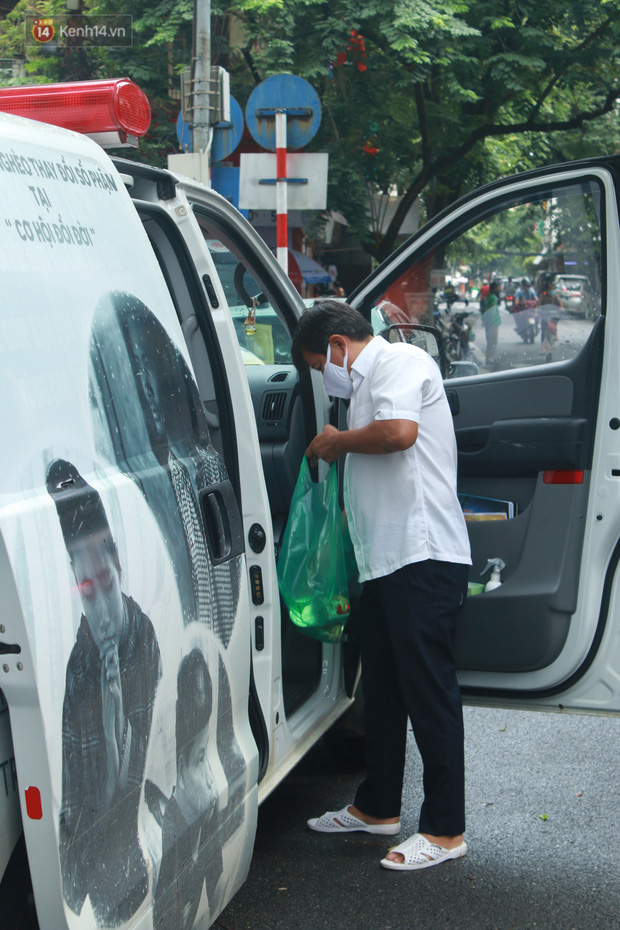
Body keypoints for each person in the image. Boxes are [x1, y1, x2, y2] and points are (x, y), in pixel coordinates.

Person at [291, 301, 471, 872]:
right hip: (385, 563)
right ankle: (378, 808)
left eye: (322, 365)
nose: (325, 377)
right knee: (386, 693)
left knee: (428, 694)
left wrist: (335, 443)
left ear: (341, 345)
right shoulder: (364, 386)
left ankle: (445, 831)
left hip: (422, 556)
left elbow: (398, 434)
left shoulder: (399, 362)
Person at [47, 458, 161, 926]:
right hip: (87, 871)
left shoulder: (141, 637)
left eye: (106, 583)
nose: (101, 609)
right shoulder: (77, 664)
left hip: (126, 860)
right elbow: (75, 798)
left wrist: (121, 739)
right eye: (86, 592)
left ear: (119, 565)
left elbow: (130, 793)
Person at [153, 649, 221, 930]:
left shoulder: (203, 816)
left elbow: (216, 893)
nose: (210, 779)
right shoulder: (169, 835)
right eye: (201, 759)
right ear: (180, 769)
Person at [480, 278, 501, 366]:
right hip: (493, 322)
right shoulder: (493, 298)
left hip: (487, 322)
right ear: (495, 288)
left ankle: (489, 357)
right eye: (499, 287)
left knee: (490, 341)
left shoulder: (487, 297)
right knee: (492, 341)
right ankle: (490, 358)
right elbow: (491, 311)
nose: (500, 288)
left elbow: (483, 308)